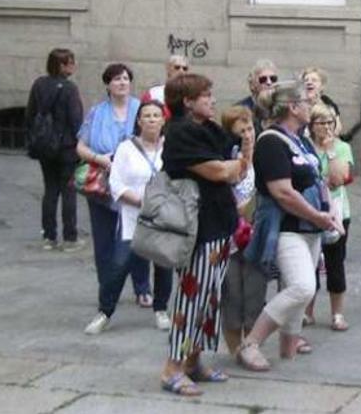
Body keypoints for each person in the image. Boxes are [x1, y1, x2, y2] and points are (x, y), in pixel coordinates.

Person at [234, 84, 344, 371]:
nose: (312, 105)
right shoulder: (271, 142)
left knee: (302, 290)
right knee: (301, 286)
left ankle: (287, 354)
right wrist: (317, 216)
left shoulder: (303, 141)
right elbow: (282, 192)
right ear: (293, 107)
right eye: (307, 102)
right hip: (286, 227)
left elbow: (319, 180)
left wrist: (329, 209)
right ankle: (251, 344)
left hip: (311, 228)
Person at [159, 73, 251, 397]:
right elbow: (222, 171)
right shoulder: (181, 134)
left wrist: (240, 156)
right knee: (191, 298)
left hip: (220, 225)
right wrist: (234, 163)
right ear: (187, 101)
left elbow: (238, 170)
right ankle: (172, 367)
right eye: (206, 95)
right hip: (197, 230)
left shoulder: (208, 129)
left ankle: (194, 361)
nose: (213, 100)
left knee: (210, 300)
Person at [79, 63, 150, 335]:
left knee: (138, 239)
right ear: (107, 85)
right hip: (103, 185)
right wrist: (100, 159)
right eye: (116, 79)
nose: (122, 83)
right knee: (105, 241)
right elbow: (81, 145)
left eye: (125, 79)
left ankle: (143, 288)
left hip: (134, 184)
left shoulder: (139, 109)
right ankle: (106, 288)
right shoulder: (97, 112)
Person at [103, 101, 173, 332]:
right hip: (133, 216)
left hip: (163, 216)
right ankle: (105, 310)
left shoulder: (172, 148)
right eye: (147, 116)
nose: (152, 119)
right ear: (139, 121)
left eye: (156, 115)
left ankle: (161, 308)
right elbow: (116, 182)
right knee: (119, 264)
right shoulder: (126, 148)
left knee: (163, 264)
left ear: (163, 120)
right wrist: (141, 201)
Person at [26, 48, 83, 250]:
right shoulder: (69, 89)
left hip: (45, 146)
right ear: (61, 65)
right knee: (68, 190)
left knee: (50, 190)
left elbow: (30, 113)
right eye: (70, 62)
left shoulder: (39, 84)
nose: (73, 66)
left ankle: (49, 236)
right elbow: (76, 120)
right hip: (66, 146)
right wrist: (81, 144)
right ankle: (70, 236)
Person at [219, 106, 263, 355]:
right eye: (240, 131)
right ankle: (235, 347)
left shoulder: (265, 155)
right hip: (231, 234)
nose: (247, 135)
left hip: (258, 232)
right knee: (232, 293)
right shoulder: (228, 159)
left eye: (249, 129)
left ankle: (252, 344)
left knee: (255, 290)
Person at [308, 103, 354, 332]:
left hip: (337, 212)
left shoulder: (342, 147)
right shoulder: (305, 147)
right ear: (311, 125)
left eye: (330, 122)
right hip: (310, 210)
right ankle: (308, 311)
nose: (326, 127)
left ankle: (337, 313)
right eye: (321, 123)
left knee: (335, 263)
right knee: (310, 264)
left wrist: (330, 150)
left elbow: (338, 178)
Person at [237, 60, 280, 124]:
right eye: (263, 79)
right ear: (252, 85)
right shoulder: (241, 110)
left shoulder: (283, 108)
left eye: (273, 79)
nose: (269, 82)